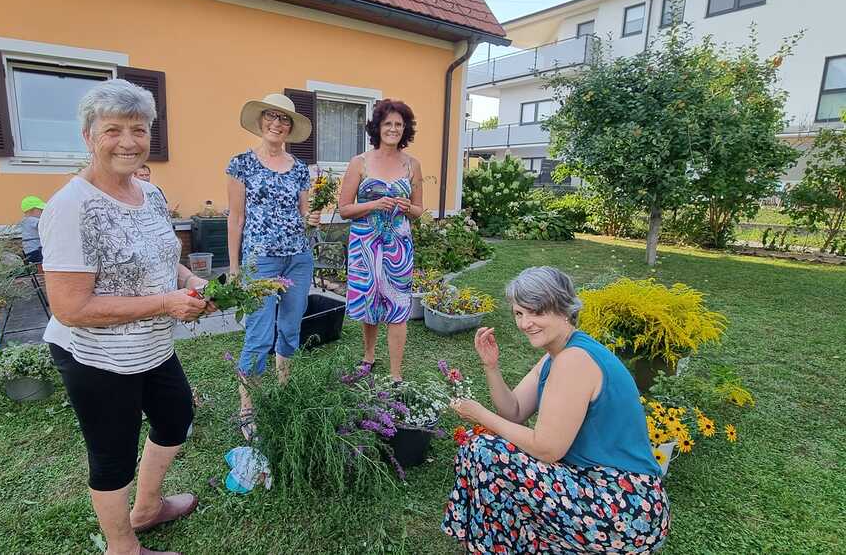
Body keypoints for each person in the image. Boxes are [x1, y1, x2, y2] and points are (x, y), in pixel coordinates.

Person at [40, 79, 216, 555]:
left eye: (138, 129)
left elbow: (165, 259)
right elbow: (71, 308)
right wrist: (164, 303)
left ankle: (148, 508)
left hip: (152, 346)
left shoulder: (150, 194)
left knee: (176, 417)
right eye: (112, 130)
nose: (128, 142)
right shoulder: (71, 208)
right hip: (97, 355)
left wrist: (192, 283)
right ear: (88, 136)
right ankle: (123, 547)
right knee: (112, 454)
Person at [442, 266, 670, 553]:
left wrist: (479, 414)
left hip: (624, 505)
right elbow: (514, 411)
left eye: (536, 312)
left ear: (564, 309)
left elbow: (547, 449)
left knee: (483, 451)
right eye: (519, 313)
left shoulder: (574, 360)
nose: (525, 323)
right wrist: (491, 366)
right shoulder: (558, 356)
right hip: (595, 487)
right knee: (482, 449)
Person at [226, 93, 320, 441]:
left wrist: (312, 219)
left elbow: (304, 214)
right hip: (261, 260)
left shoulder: (300, 169)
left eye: (284, 119)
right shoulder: (241, 164)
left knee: (290, 328)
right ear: (260, 121)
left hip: (298, 258)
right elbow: (236, 218)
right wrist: (235, 267)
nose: (277, 124)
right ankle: (247, 408)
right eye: (271, 116)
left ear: (290, 127)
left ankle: (283, 391)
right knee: (259, 334)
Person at [337, 99, 423, 383]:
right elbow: (344, 209)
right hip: (365, 245)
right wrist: (374, 205)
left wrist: (407, 207)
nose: (393, 129)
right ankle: (368, 357)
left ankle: (396, 375)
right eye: (388, 123)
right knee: (369, 303)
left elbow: (419, 210)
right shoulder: (359, 163)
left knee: (398, 305)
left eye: (399, 124)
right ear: (378, 127)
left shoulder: (412, 165)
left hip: (398, 247)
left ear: (405, 129)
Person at [19, 195, 46, 264]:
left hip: (29, 252)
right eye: (41, 210)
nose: (43, 212)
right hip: (36, 251)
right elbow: (44, 226)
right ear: (32, 210)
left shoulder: (24, 221)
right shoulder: (32, 220)